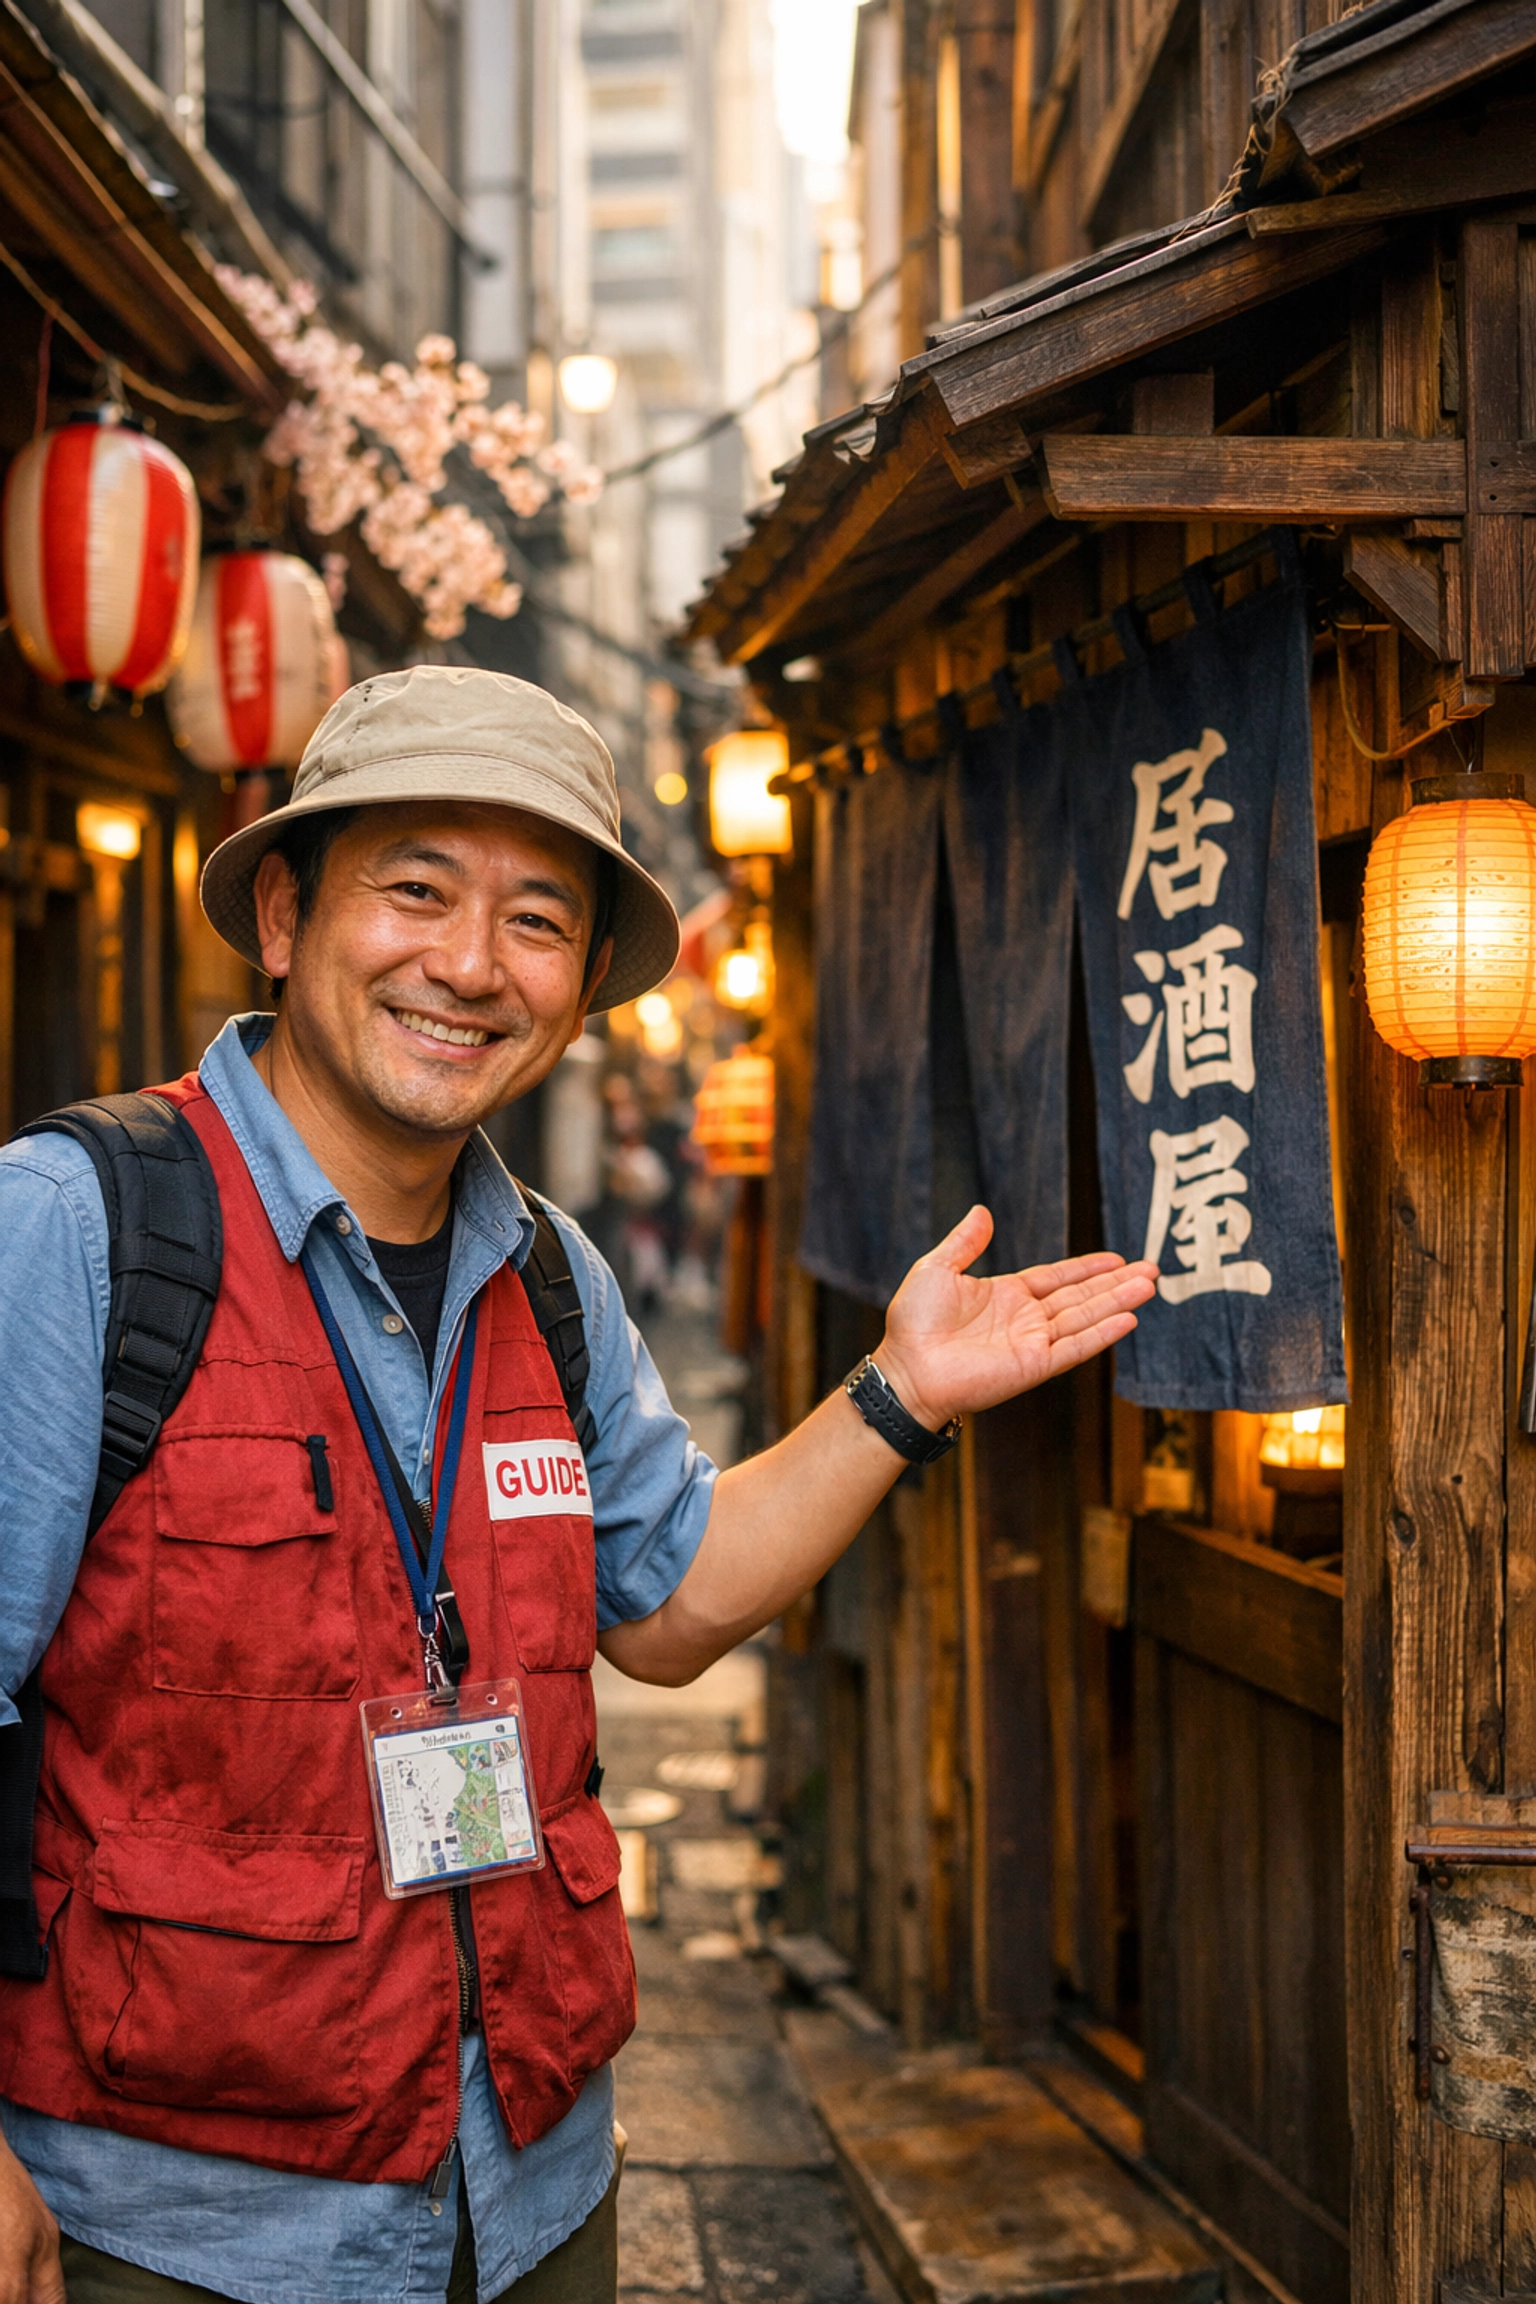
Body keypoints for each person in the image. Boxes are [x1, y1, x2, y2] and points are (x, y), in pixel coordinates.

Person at [0, 667, 1155, 2304]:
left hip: (532, 2189)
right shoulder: (76, 1228)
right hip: (183, 2224)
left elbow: (672, 1603)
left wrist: (899, 1397)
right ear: (280, 912)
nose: (471, 967)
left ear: (581, 983)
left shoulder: (551, 1276)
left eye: (537, 921)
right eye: (415, 890)